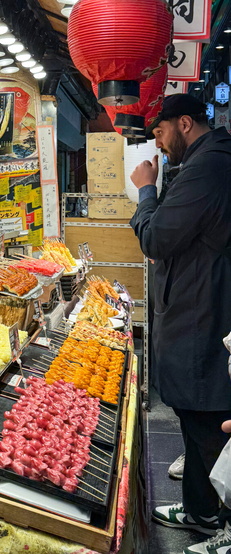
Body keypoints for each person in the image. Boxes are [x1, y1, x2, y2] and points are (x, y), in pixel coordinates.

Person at [129, 94, 231, 554]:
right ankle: (196, 509)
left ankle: (214, 524)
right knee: (195, 420)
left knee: (207, 419)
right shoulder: (208, 160)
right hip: (199, 305)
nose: (158, 143)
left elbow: (157, 237)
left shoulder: (208, 167)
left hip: (204, 313)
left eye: (160, 132)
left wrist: (146, 190)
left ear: (184, 123)